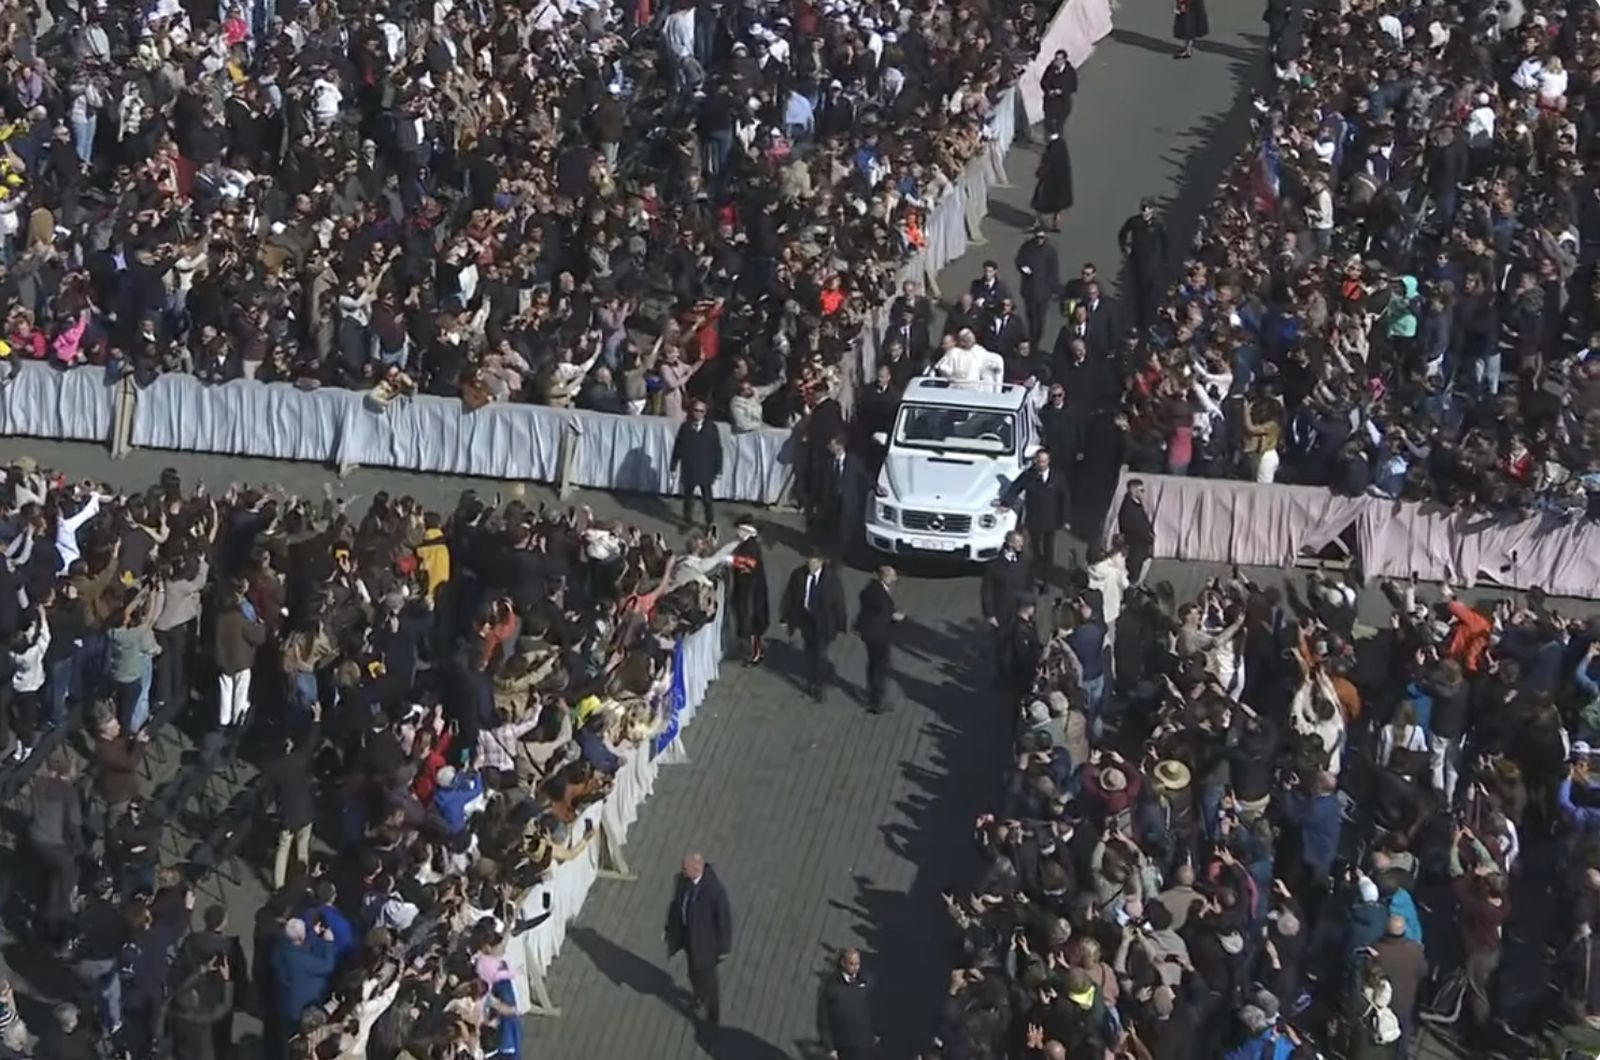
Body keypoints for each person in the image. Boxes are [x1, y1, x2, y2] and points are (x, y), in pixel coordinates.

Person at [665, 852, 733, 1028]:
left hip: (706, 945)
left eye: (685, 868)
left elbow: (724, 920)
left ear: (696, 869)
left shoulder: (714, 891)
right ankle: (699, 996)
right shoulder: (682, 881)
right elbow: (677, 905)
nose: (682, 871)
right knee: (693, 973)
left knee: (709, 982)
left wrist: (724, 948)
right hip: (689, 938)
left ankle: (713, 1016)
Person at [996, 448, 1070, 592]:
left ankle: (1046, 581)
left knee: (1049, 551)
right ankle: (1037, 571)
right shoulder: (1028, 475)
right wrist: (1006, 503)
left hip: (1051, 520)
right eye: (1038, 461)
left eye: (1044, 461)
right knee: (1035, 551)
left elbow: (1065, 497)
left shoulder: (1057, 476)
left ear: (1048, 462)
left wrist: (1066, 518)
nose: (1041, 464)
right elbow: (1015, 488)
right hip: (1034, 519)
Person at [781, 550, 849, 702]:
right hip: (806, 620)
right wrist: (785, 618)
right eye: (809, 560)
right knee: (810, 652)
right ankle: (812, 678)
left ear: (821, 562)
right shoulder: (798, 575)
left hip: (824, 624)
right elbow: (790, 596)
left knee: (820, 655)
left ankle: (818, 686)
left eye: (813, 562)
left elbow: (840, 604)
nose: (810, 564)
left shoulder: (831, 580)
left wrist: (840, 626)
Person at [212, 578, 264, 729]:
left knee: (225, 692)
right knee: (240, 694)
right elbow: (257, 637)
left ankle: (223, 721)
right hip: (241, 661)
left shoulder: (219, 618)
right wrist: (260, 626)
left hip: (224, 660)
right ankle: (238, 721)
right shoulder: (240, 619)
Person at [855, 566, 905, 714]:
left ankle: (874, 694)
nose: (895, 579)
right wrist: (895, 617)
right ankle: (876, 701)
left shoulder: (871, 589)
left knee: (874, 664)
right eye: (893, 576)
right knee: (880, 668)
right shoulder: (879, 593)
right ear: (885, 577)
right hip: (878, 635)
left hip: (871, 633)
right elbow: (882, 612)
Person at [812, 434, 868, 558]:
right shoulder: (828, 463)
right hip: (832, 500)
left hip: (848, 500)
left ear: (839, 446)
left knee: (846, 526)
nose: (828, 447)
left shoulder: (854, 462)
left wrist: (876, 488)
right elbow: (822, 484)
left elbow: (865, 478)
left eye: (831, 445)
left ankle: (846, 552)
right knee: (833, 525)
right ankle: (833, 550)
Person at [670, 399, 724, 529]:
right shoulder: (685, 427)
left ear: (705, 413)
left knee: (707, 499)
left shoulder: (711, 427)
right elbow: (678, 447)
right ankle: (687, 521)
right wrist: (673, 465)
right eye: (696, 410)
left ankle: (709, 523)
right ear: (691, 411)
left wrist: (718, 469)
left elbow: (717, 449)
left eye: (701, 411)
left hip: (706, 469)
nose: (698, 413)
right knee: (688, 499)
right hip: (689, 468)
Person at [1117, 199, 1169, 330]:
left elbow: (1165, 242)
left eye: (1147, 210)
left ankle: (1150, 318)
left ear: (1152, 210)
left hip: (1152, 261)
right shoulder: (1134, 222)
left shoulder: (1158, 224)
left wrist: (1164, 260)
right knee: (1139, 291)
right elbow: (1122, 233)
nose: (1145, 213)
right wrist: (1125, 247)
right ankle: (1141, 319)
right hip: (1137, 260)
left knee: (1152, 291)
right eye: (1143, 210)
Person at [819, 948, 877, 1060]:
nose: (855, 967)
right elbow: (823, 1018)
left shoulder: (865, 981)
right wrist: (830, 1047)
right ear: (843, 963)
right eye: (851, 964)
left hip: (864, 1044)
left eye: (857, 963)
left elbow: (871, 1009)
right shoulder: (832, 987)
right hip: (845, 1045)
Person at [729, 520, 771, 666]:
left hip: (750, 593)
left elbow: (747, 566)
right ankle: (752, 651)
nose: (737, 533)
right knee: (751, 622)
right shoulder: (750, 545)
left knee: (751, 624)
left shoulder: (749, 547)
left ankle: (754, 654)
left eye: (740, 530)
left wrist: (731, 561)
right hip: (750, 590)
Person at [1016, 226, 1063, 349]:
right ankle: (1032, 337)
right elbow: (1019, 260)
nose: (1039, 240)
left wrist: (1054, 289)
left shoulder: (1050, 251)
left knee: (1040, 318)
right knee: (1031, 317)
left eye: (1042, 237)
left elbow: (1054, 271)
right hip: (1029, 290)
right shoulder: (1026, 248)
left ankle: (1036, 340)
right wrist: (1022, 268)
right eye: (1037, 237)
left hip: (1043, 292)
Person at [1032, 131, 1075, 232]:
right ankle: (1056, 224)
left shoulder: (1051, 148)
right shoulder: (1062, 144)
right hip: (1061, 181)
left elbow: (1047, 163)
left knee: (1038, 202)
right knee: (1058, 206)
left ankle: (1041, 223)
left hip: (1049, 181)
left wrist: (1039, 172)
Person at [1118, 479, 1155, 583]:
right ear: (1133, 490)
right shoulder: (1128, 508)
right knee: (1134, 577)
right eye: (1141, 490)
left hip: (1142, 548)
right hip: (1135, 549)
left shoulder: (1137, 505)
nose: (1143, 493)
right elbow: (1132, 528)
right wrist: (1147, 536)